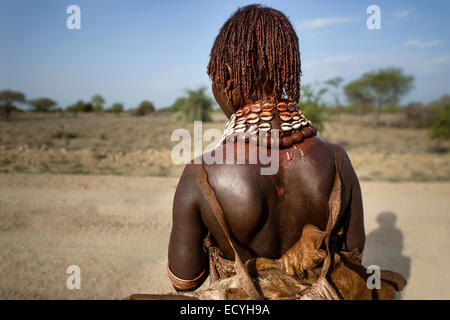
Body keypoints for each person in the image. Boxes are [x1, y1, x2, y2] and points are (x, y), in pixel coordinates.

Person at [167, 4, 365, 293]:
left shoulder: (201, 175)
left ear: (227, 77)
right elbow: (354, 255)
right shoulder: (337, 160)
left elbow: (184, 280)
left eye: (214, 77)